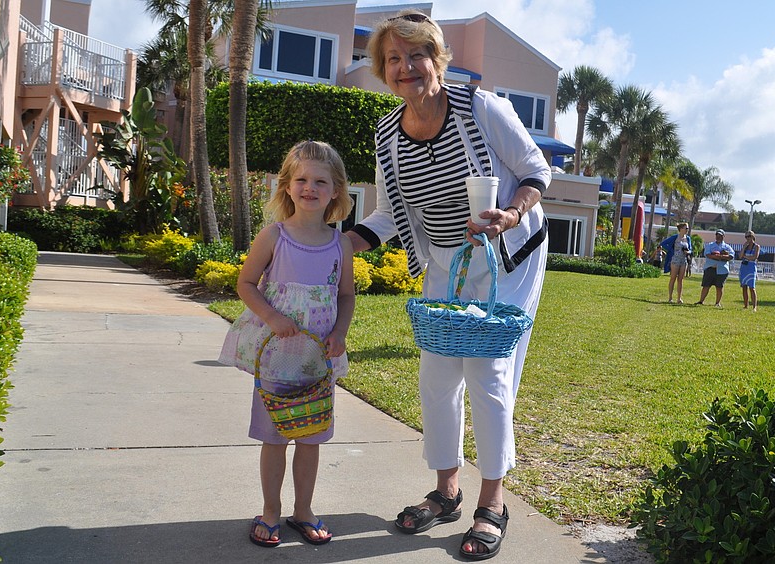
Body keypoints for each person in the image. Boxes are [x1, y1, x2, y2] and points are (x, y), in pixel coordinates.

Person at [346, 10, 551, 560]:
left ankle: (494, 501)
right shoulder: (387, 135)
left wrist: (511, 212)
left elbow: (536, 170)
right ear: (383, 70)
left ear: (437, 61)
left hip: (508, 254)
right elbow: (390, 212)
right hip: (443, 260)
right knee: (437, 376)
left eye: (417, 55)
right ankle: (446, 490)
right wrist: (337, 245)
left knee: (487, 370)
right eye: (394, 59)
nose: (406, 67)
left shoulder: (481, 108)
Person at [218, 141, 355, 548]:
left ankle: (304, 509)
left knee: (310, 436)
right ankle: (271, 510)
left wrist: (341, 333)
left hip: (317, 361)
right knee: (275, 437)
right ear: (287, 187)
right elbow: (245, 284)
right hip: (277, 360)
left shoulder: (340, 244)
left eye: (320, 181)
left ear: (336, 191)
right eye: (301, 180)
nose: (309, 187)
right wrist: (273, 317)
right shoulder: (274, 236)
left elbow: (345, 296)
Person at [695, 229, 734, 308]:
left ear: (723, 236)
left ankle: (717, 303)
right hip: (710, 268)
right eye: (717, 235)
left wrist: (721, 256)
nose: (718, 237)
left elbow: (731, 256)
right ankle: (701, 301)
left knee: (719, 287)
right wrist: (720, 257)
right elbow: (708, 255)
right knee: (706, 286)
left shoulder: (727, 247)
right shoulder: (710, 245)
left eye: (720, 235)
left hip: (722, 270)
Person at [660, 222, 691, 303]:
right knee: (673, 278)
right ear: (681, 229)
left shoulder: (688, 238)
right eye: (686, 228)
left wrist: (688, 252)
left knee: (680, 280)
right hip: (675, 260)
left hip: (683, 260)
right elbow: (663, 243)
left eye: (687, 228)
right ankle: (670, 298)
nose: (687, 230)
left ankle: (679, 298)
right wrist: (671, 249)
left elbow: (691, 249)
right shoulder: (675, 237)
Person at [738, 230, 760, 311]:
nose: (748, 238)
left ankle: (754, 307)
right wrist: (744, 248)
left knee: (752, 288)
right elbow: (740, 256)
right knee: (744, 287)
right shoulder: (745, 246)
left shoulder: (756, 246)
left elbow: (754, 257)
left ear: (753, 237)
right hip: (744, 267)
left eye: (749, 236)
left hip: (751, 268)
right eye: (746, 237)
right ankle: (745, 305)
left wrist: (745, 256)